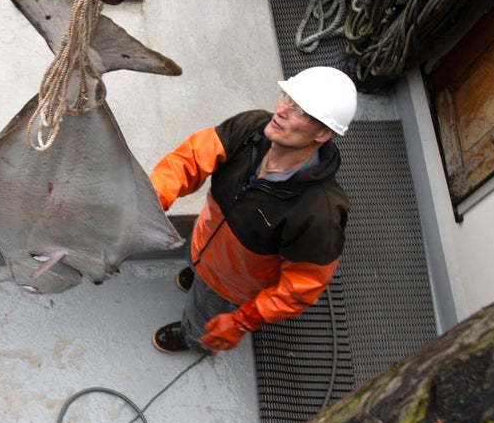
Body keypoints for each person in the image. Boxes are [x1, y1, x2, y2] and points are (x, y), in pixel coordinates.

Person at [148, 66, 357, 354]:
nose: (282, 110)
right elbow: (191, 159)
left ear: (323, 133)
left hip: (231, 286)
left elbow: (302, 285)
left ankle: (191, 338)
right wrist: (153, 199)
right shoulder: (252, 128)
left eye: (299, 110)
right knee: (196, 264)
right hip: (203, 242)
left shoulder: (320, 212)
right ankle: (198, 272)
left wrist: (241, 319)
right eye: (286, 98)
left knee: (204, 318)